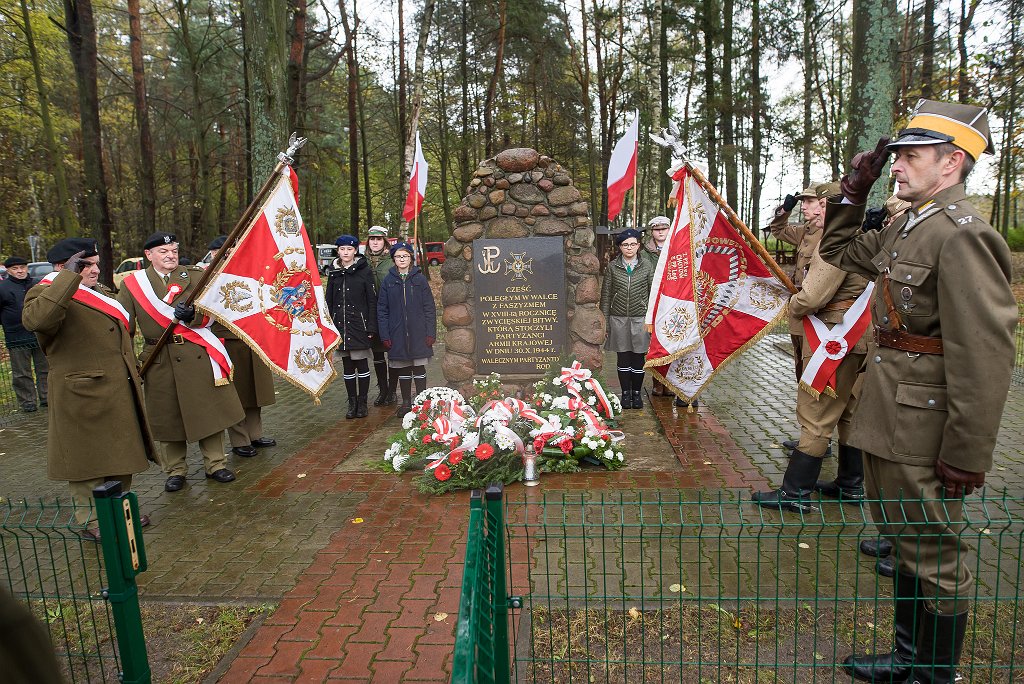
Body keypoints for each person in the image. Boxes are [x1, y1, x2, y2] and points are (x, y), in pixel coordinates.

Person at [819, 100, 1015, 684]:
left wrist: (967, 452)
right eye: (897, 156)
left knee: (936, 554)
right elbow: (838, 254)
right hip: (888, 416)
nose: (896, 166)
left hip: (925, 428)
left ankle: (933, 675)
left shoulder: (962, 236)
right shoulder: (911, 224)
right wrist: (855, 191)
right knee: (906, 541)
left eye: (910, 156)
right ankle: (909, 660)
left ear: (951, 162)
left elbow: (984, 355)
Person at [21, 238, 154, 541]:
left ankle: (120, 513)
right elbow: (37, 321)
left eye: (96, 264)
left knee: (121, 454)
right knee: (87, 462)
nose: (95, 270)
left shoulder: (99, 292)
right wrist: (68, 278)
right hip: (81, 392)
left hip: (117, 387)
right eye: (86, 265)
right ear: (62, 266)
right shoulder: (44, 293)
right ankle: (92, 520)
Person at [751, 189, 870, 511]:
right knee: (848, 411)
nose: (811, 209)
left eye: (819, 204)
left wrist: (791, 303)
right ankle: (851, 484)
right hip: (854, 335)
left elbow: (812, 297)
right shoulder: (859, 236)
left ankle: (795, 493)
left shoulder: (836, 242)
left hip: (832, 336)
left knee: (816, 413)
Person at [117, 232, 244, 492]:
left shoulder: (195, 276)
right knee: (167, 417)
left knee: (208, 412)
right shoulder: (133, 285)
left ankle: (215, 464)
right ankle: (175, 470)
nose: (170, 255)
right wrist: (129, 362)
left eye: (174, 250)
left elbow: (216, 312)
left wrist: (193, 315)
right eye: (163, 251)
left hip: (195, 353)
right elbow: (123, 327)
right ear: (149, 255)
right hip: (159, 357)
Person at [206, 235, 277, 458]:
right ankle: (239, 440)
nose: (228, 254)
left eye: (232, 249)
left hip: (253, 337)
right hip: (227, 340)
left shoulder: (248, 270)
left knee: (255, 390)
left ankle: (255, 434)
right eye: (222, 251)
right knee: (235, 393)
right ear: (214, 254)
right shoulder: (209, 276)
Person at [377, 241, 436, 415]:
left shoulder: (419, 279)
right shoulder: (388, 281)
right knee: (403, 368)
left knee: (418, 367)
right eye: (398, 256)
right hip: (397, 333)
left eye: (405, 256)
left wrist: (430, 332)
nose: (402, 259)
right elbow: (382, 310)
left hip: (418, 332)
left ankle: (422, 402)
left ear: (411, 258)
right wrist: (385, 335)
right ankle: (406, 403)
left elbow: (429, 308)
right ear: (393, 259)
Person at [600, 228, 654, 410]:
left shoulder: (647, 266)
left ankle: (636, 393)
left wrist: (652, 320)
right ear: (620, 247)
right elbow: (606, 296)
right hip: (618, 319)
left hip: (641, 319)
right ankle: (625, 393)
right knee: (623, 357)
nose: (629, 248)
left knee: (638, 357)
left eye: (633, 244)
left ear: (638, 245)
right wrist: (605, 323)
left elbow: (652, 294)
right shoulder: (612, 267)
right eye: (625, 245)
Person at [326, 234, 378, 419]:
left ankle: (362, 403)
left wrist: (371, 326)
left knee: (361, 364)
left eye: (349, 249)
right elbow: (329, 300)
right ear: (338, 251)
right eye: (342, 249)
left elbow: (371, 300)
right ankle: (352, 402)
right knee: (347, 365)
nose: (346, 252)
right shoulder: (333, 272)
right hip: (341, 325)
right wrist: (329, 324)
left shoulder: (364, 271)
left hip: (359, 325)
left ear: (355, 250)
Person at [0, 255, 48, 412]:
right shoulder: (2, 288)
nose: (20, 271)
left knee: (45, 368)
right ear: (8, 270)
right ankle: (28, 403)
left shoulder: (37, 284)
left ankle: (47, 397)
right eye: (15, 268)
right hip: (16, 337)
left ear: (27, 268)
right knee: (21, 373)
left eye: (22, 267)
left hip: (39, 334)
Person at [363, 226, 396, 405]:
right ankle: (383, 389)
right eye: (372, 239)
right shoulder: (362, 261)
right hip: (371, 315)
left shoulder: (392, 261)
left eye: (379, 239)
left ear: (385, 241)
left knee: (392, 353)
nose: (375, 242)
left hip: (390, 314)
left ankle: (392, 390)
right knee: (377, 354)